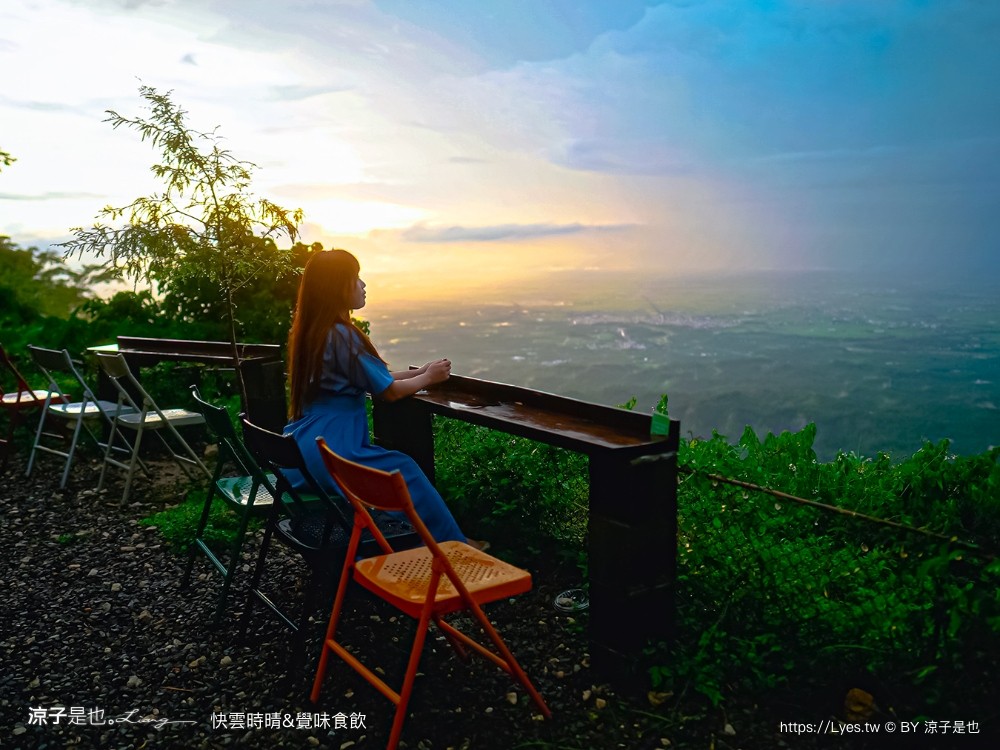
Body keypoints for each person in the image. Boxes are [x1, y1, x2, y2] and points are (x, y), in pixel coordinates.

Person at [283, 248, 478, 546]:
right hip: (335, 453)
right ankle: (452, 545)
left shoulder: (313, 332)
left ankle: (410, 541)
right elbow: (388, 391)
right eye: (355, 278)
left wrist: (418, 372)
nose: (363, 285)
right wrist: (428, 378)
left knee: (395, 471)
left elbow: (374, 379)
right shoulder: (343, 335)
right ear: (337, 287)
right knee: (404, 470)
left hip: (303, 450)